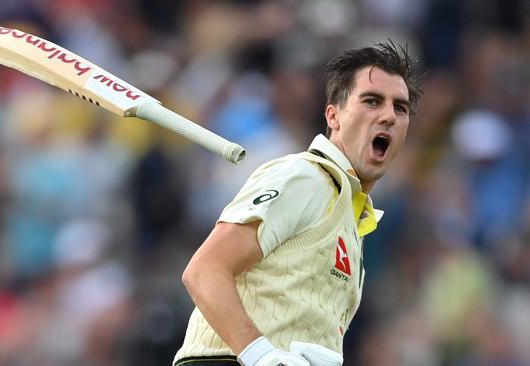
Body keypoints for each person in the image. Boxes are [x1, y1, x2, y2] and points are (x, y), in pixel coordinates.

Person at [173, 42, 423, 366]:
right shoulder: (305, 177)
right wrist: (261, 356)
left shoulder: (350, 212)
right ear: (333, 115)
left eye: (400, 108)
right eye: (372, 101)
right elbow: (204, 270)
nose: (388, 115)